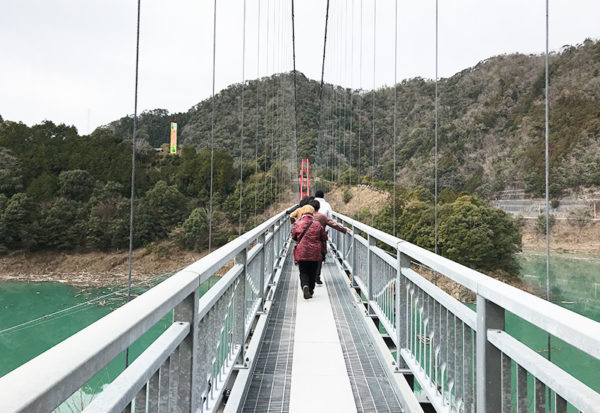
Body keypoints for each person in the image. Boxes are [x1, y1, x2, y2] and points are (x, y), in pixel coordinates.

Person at [309, 199, 352, 285]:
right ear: (319, 207)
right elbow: (334, 224)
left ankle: (310, 277)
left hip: (308, 241)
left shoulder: (305, 217)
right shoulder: (322, 217)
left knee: (309, 259)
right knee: (319, 258)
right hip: (319, 241)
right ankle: (317, 276)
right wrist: (344, 229)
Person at [291, 207, 327, 299]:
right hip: (315, 252)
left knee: (303, 271)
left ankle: (304, 286)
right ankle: (310, 290)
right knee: (312, 271)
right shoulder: (317, 224)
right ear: (312, 213)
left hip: (301, 251)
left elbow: (294, 236)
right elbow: (324, 237)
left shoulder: (298, 223)